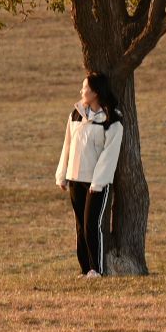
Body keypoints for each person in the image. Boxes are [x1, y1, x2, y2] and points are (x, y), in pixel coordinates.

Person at [51, 73, 124, 279]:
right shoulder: (75, 115)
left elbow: (109, 155)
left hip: (96, 183)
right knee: (80, 226)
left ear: (96, 92)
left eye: (85, 88)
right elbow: (67, 146)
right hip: (75, 179)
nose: (82, 91)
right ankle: (85, 269)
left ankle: (97, 269)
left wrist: (98, 182)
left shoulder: (112, 120)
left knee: (93, 225)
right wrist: (62, 175)